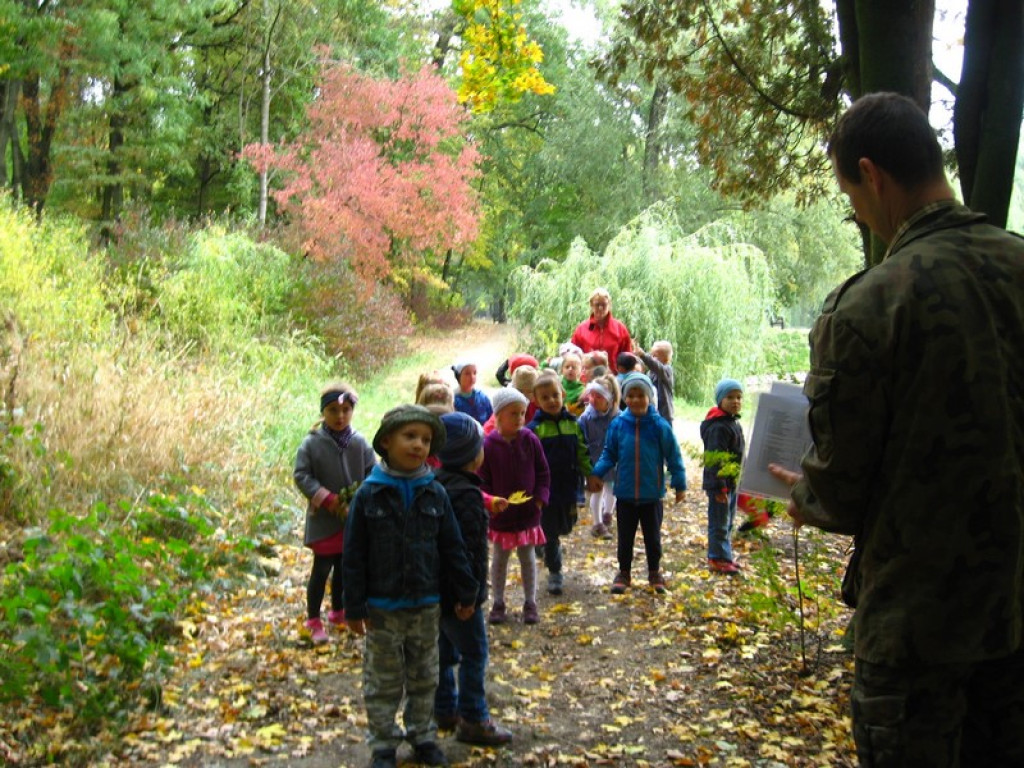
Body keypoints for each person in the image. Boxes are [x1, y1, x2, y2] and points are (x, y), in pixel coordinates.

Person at [767, 92, 1024, 767]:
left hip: (921, 637)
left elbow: (842, 488)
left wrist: (808, 492)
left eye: (849, 192)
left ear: (871, 174)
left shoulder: (871, 304)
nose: (855, 209)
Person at [343, 405, 478, 768]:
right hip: (382, 608)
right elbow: (353, 554)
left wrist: (467, 592)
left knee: (425, 677)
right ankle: (384, 745)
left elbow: (453, 547)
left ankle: (422, 736)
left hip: (426, 606)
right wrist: (352, 606)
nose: (418, 445)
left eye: (425, 439)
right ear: (386, 441)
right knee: (383, 681)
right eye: (410, 436)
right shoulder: (369, 495)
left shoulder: (435, 493)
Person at [432, 413, 513, 747]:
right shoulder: (465, 495)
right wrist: (470, 595)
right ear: (472, 454)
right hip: (459, 594)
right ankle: (474, 718)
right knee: (474, 652)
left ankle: (444, 708)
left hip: (437, 591)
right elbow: (467, 552)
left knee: (445, 650)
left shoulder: (436, 483)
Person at [293, 382, 376, 645]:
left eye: (345, 410)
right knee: (322, 568)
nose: (340, 416)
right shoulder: (312, 443)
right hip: (324, 519)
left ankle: (338, 610)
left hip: (351, 518)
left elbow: (372, 473)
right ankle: (313, 619)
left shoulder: (360, 442)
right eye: (332, 410)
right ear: (323, 412)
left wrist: (360, 499)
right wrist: (327, 499)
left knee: (344, 566)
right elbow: (302, 475)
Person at [591, 373, 686, 595]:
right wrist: (596, 473)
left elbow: (674, 457)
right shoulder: (618, 425)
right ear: (624, 398)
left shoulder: (659, 426)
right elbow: (609, 453)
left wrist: (679, 483)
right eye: (630, 395)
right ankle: (624, 573)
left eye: (640, 395)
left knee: (653, 538)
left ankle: (654, 572)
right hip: (624, 494)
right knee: (625, 538)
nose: (635, 400)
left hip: (651, 495)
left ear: (649, 397)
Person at [479, 387, 551, 625]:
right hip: (502, 515)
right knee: (499, 559)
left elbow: (543, 471)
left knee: (528, 557)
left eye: (522, 413)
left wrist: (540, 497)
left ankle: (530, 602)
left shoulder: (530, 440)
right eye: (514, 414)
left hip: (528, 513)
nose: (520, 418)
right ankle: (498, 602)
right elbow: (483, 479)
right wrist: (490, 501)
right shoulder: (489, 445)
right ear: (498, 416)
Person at [527, 370, 595, 597]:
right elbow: (527, 461)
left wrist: (591, 475)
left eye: (555, 395)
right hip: (545, 490)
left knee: (566, 525)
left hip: (568, 486)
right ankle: (555, 571)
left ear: (563, 394)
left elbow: (583, 453)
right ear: (536, 401)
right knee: (551, 530)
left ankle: (542, 543)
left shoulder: (573, 424)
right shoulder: (534, 430)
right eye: (544, 397)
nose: (551, 401)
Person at [700, 378, 745, 575]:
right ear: (720, 400)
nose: (735, 401)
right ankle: (717, 557)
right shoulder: (718, 426)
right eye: (730, 397)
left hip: (732, 482)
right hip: (720, 484)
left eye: (739, 397)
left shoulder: (731, 422)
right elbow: (715, 460)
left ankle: (725, 556)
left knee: (728, 520)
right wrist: (720, 487)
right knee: (719, 521)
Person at [578, 374, 620, 539]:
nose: (594, 400)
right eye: (592, 395)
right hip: (595, 462)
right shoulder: (585, 418)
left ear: (609, 399)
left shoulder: (618, 417)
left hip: (614, 462)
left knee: (612, 489)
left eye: (599, 396)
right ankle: (597, 524)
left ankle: (607, 514)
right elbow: (581, 441)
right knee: (597, 491)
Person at [571, 288, 633, 373]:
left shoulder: (620, 329)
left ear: (609, 304)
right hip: (587, 379)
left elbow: (628, 358)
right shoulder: (581, 330)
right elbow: (573, 357)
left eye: (604, 304)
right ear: (591, 305)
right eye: (597, 304)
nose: (600, 308)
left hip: (613, 379)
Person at [482, 364, 538, 434]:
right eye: (532, 391)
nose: (536, 394)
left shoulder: (536, 403)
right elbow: (489, 430)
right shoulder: (509, 405)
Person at [636, 341, 675, 425]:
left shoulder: (667, 370)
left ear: (666, 359)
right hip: (651, 413)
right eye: (651, 355)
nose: (651, 357)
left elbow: (656, 366)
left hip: (664, 415)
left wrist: (643, 355)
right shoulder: (650, 373)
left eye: (654, 355)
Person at [451, 360, 492, 425]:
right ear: (458, 376)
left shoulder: (482, 397)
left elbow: (491, 418)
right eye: (467, 374)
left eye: (474, 373)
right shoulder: (453, 400)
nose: (472, 377)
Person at [560, 350, 585, 417]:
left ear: (581, 371)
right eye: (567, 367)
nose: (570, 369)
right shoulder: (557, 384)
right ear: (562, 370)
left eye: (574, 367)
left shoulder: (582, 390)